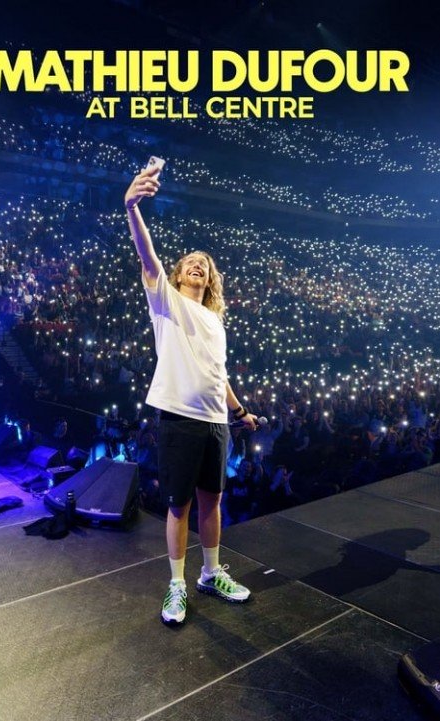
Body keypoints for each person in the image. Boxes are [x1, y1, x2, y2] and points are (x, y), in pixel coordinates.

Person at [124, 165, 257, 626]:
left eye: (206, 263)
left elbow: (217, 375)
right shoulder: (167, 300)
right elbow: (147, 254)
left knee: (212, 502)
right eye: (190, 262)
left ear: (210, 279)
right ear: (179, 274)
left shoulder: (216, 322)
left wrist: (239, 411)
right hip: (179, 418)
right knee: (179, 505)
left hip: (215, 423)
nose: (198, 264)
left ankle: (211, 572)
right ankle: (177, 584)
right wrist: (132, 207)